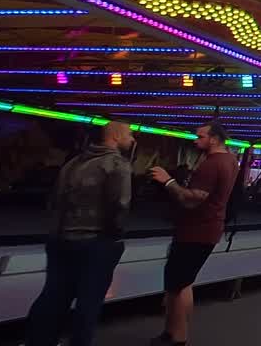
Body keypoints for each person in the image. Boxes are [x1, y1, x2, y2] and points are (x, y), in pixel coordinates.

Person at [24, 121, 135, 346]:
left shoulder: (73, 162)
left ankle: (38, 341)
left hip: (60, 240)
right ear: (115, 136)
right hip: (96, 243)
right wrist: (115, 237)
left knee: (53, 296)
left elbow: (54, 201)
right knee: (89, 302)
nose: (133, 139)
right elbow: (120, 206)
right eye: (130, 134)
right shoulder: (117, 164)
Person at [148, 121, 240, 346]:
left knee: (177, 285)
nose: (195, 140)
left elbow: (192, 199)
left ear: (215, 139)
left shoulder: (212, 164)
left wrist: (168, 181)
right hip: (209, 228)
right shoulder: (230, 160)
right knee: (184, 282)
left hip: (195, 230)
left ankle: (177, 337)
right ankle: (176, 332)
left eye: (200, 137)